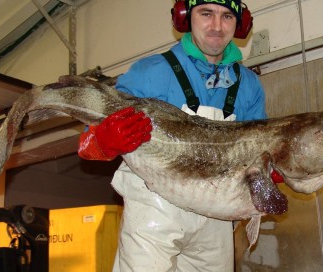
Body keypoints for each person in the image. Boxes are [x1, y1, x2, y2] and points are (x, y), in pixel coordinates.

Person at [78, 1, 282, 271]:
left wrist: (272, 169)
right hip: (154, 209)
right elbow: (87, 140)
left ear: (240, 24)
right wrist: (103, 142)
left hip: (216, 215)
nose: (217, 26)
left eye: (227, 16)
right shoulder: (150, 72)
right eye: (206, 14)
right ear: (186, 17)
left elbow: (261, 147)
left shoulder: (248, 85)